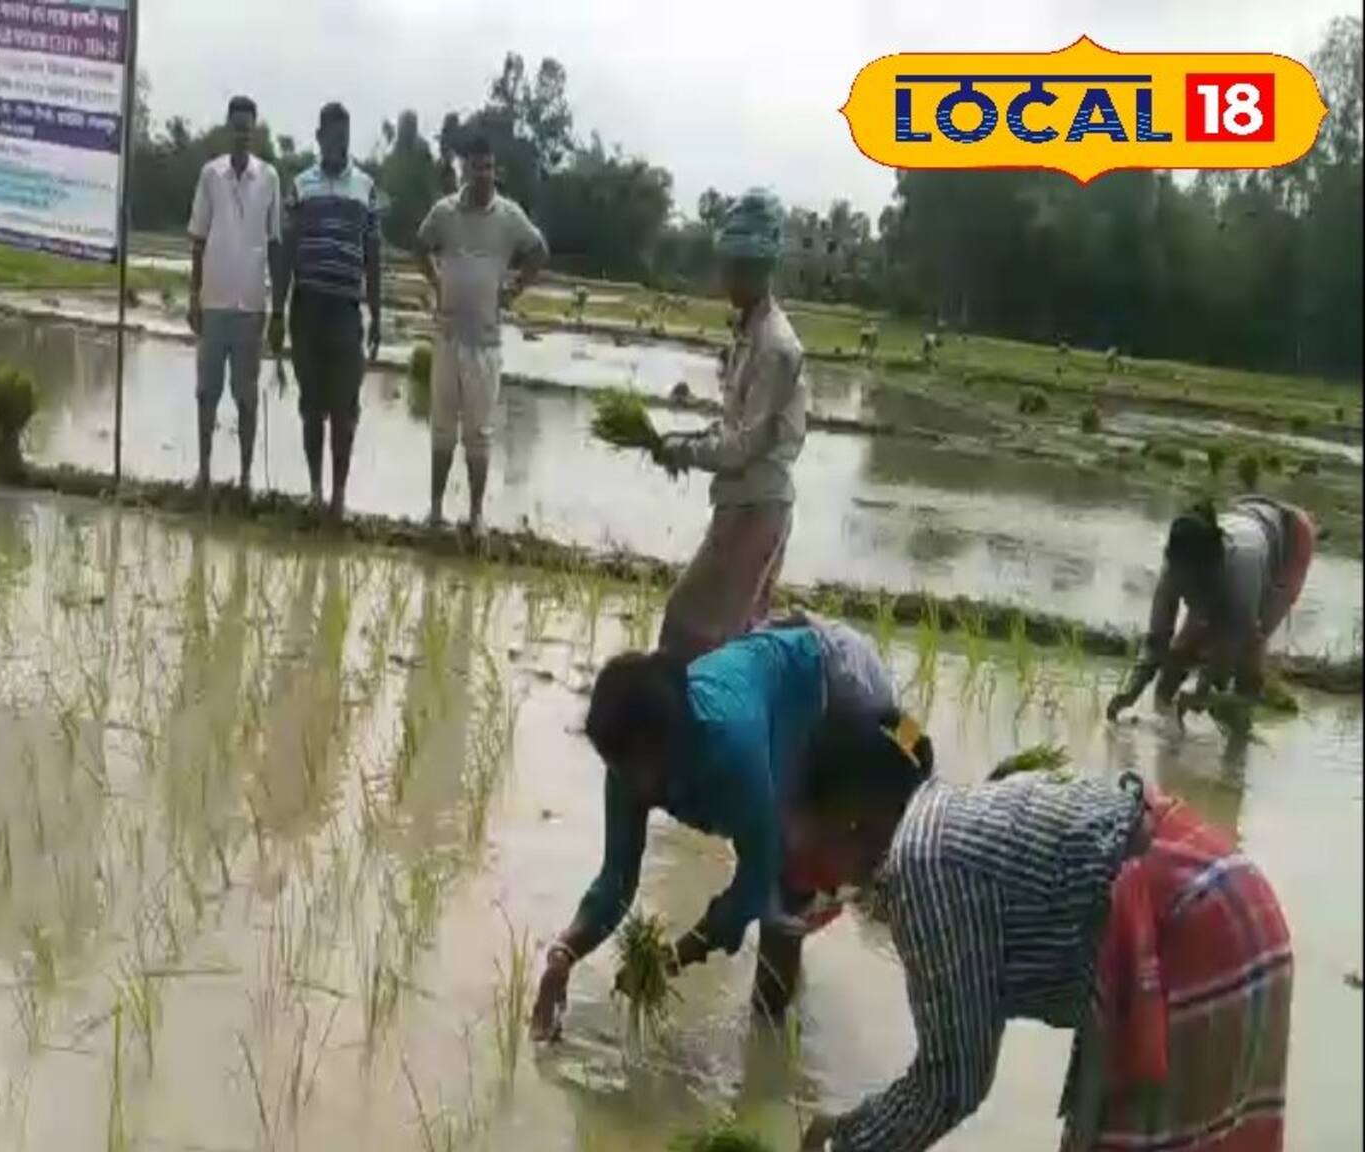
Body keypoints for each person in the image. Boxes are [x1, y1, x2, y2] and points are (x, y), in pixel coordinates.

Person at [789, 711, 1291, 1152]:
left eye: (809, 835)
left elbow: (952, 1083)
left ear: (850, 820)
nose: (817, 870)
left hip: (1194, 929)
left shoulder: (921, 862)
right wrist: (857, 1129)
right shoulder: (944, 817)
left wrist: (849, 1145)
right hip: (1223, 894)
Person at [529, 619, 896, 1042]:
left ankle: (774, 1034)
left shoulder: (731, 754)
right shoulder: (629, 763)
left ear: (668, 748)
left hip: (839, 689)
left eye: (632, 771)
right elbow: (616, 880)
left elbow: (758, 876)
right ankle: (777, 1023)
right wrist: (563, 956)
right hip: (769, 675)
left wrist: (676, 958)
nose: (623, 784)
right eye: (615, 768)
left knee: (791, 882)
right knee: (786, 877)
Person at [653, 188, 808, 662]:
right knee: (727, 637)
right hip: (742, 506)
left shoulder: (776, 347)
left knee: (690, 628)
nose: (724, 276)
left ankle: (687, 731)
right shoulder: (748, 332)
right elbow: (735, 427)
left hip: (756, 511)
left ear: (757, 269)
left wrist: (683, 449)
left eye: (733, 267)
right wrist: (693, 440)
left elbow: (744, 446)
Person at [413, 132, 548, 531]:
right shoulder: (444, 212)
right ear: (464, 170)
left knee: (479, 433)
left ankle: (474, 516)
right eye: (476, 167)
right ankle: (436, 511)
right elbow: (420, 246)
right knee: (441, 428)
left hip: (486, 343)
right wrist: (436, 281)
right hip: (448, 336)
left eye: (489, 167)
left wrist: (516, 288)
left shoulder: (509, 216)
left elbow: (539, 251)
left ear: (495, 171)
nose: (483, 174)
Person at [1107, 497, 1316, 725]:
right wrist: (1130, 692)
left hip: (1290, 540)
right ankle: (1164, 718)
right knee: (1179, 653)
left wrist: (1204, 690)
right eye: (1183, 584)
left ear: (1213, 569)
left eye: (1194, 585)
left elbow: (1234, 641)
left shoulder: (1242, 570)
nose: (1187, 591)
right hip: (1248, 516)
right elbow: (1157, 639)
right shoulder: (1174, 567)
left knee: (1250, 653)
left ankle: (1240, 731)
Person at [273, 102, 381, 519]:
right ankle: (315, 491)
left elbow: (373, 255)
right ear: (319, 137)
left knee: (345, 408)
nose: (339, 143)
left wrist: (378, 314)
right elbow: (285, 252)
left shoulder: (366, 188)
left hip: (346, 311)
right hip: (307, 307)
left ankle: (338, 496)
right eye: (332, 136)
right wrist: (277, 313)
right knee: (311, 405)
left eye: (345, 137)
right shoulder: (301, 186)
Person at [186, 94, 283, 497]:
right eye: (236, 127)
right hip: (214, 302)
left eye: (248, 128)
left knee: (246, 397)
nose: (242, 135)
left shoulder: (270, 178)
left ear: (254, 131)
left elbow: (275, 245)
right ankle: (205, 472)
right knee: (207, 393)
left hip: (250, 307)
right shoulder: (211, 175)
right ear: (229, 129)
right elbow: (198, 240)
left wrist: (278, 308)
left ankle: (244, 478)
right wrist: (193, 296)